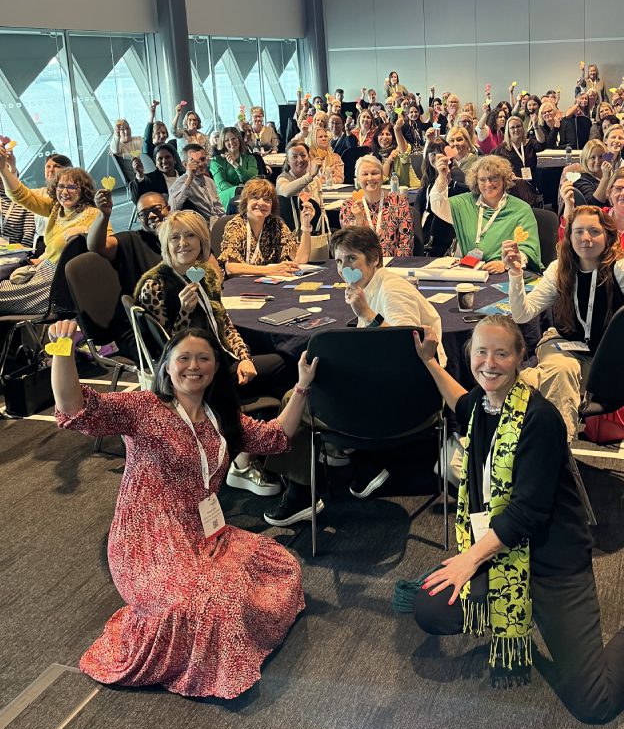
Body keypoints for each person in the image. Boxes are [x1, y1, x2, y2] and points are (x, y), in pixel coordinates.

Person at [408, 312, 624, 723]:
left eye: (501, 353)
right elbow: (460, 400)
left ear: (520, 358)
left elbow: (525, 515)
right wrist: (429, 363)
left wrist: (469, 559)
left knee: (594, 702)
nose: (489, 363)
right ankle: (520, 606)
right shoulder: (482, 406)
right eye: (481, 352)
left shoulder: (539, 420)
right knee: (431, 608)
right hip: (506, 555)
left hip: (554, 563)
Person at [50, 317, 313, 698]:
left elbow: (275, 436)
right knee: (209, 601)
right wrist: (62, 350)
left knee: (279, 564)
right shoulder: (143, 407)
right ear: (167, 365)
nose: (193, 366)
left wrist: (302, 386)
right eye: (184, 358)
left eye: (203, 358)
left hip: (202, 533)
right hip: (145, 542)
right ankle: (207, 665)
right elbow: (74, 409)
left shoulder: (219, 416)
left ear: (216, 367)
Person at [264, 225, 445, 520]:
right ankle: (358, 466)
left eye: (351, 259)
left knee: (295, 399)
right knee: (309, 389)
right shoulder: (367, 287)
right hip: (382, 385)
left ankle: (303, 492)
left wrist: (367, 315)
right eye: (338, 261)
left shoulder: (393, 290)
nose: (343, 268)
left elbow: (407, 354)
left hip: (407, 398)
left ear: (373, 259)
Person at [504, 201, 624, 438]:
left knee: (541, 379)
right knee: (561, 369)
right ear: (569, 238)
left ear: (608, 236)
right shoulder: (559, 269)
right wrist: (515, 275)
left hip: (603, 358)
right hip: (562, 346)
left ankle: (531, 400)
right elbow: (522, 313)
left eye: (594, 232)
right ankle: (559, 447)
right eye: (579, 232)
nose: (586, 238)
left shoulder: (623, 269)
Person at [135, 210, 288, 494]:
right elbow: (165, 350)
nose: (183, 243)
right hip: (189, 374)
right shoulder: (154, 285)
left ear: (202, 240)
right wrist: (184, 312)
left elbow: (223, 322)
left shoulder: (204, 273)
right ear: (166, 244)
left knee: (281, 364)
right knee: (231, 386)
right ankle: (241, 463)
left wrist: (244, 357)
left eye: (190, 235)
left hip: (218, 359)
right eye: (175, 238)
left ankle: (266, 447)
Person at [0, 144, 106, 315]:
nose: (65, 192)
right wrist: (3, 170)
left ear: (83, 190)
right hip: (42, 271)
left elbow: (108, 243)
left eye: (72, 187)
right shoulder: (56, 208)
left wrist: (87, 230)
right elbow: (21, 196)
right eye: (61, 186)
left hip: (56, 286)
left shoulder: (92, 214)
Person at [429, 154, 541, 274]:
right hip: (471, 272)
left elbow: (528, 248)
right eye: (482, 180)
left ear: (504, 179)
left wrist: (506, 264)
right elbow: (438, 205)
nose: (488, 184)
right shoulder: (464, 203)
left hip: (505, 273)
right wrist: (442, 176)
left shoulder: (521, 209)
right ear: (476, 181)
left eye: (493, 178)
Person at [218, 178, 312, 276]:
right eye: (255, 198)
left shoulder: (276, 224)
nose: (261, 203)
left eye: (267, 199)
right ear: (246, 202)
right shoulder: (236, 225)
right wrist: (270, 270)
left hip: (267, 284)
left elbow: (300, 260)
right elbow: (231, 268)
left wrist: (305, 226)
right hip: (239, 285)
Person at [338, 155, 413, 256]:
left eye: (374, 173)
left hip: (393, 265)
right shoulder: (348, 206)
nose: (370, 178)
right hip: (362, 265)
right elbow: (350, 246)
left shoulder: (399, 202)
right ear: (358, 179)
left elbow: (406, 243)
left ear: (382, 176)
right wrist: (359, 219)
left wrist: (397, 267)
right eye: (364, 174)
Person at [168, 143, 225, 221]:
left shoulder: (209, 181)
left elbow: (219, 206)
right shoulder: (181, 182)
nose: (201, 164)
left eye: (202, 159)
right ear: (185, 165)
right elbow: (172, 209)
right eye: (195, 161)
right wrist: (189, 179)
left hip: (217, 222)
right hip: (199, 226)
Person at [209, 127, 260, 210]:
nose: (231, 142)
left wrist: (236, 165)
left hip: (249, 194)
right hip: (227, 195)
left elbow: (253, 177)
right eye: (227, 140)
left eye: (233, 138)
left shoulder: (250, 159)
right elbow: (221, 184)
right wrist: (240, 190)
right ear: (223, 143)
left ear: (239, 139)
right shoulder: (216, 161)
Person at [557, 139, 611, 207]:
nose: (597, 161)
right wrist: (605, 178)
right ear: (586, 160)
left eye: (601, 156)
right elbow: (593, 204)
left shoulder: (611, 174)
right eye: (593, 157)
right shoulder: (580, 179)